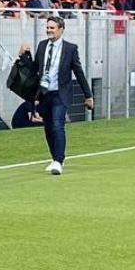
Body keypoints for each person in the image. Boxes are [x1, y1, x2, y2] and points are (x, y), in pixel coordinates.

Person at [32, 13, 92, 174]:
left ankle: (59, 160)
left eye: (52, 28)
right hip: (45, 93)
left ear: (61, 30)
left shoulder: (70, 49)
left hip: (60, 93)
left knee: (58, 124)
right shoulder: (42, 46)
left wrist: (88, 95)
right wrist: (23, 57)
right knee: (48, 127)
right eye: (47, 28)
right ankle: (54, 158)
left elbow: (79, 73)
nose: (49, 30)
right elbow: (35, 69)